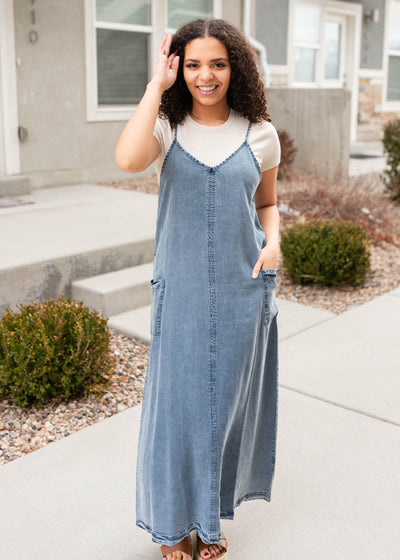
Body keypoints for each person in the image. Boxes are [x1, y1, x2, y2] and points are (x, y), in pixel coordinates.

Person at [115, 17, 281, 560]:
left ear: (236, 67)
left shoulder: (260, 133)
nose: (205, 75)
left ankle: (208, 520)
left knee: (226, 411)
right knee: (179, 409)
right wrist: (154, 88)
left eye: (217, 63)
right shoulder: (166, 127)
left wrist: (274, 242)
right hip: (180, 291)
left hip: (243, 287)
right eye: (192, 64)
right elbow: (127, 159)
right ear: (178, 68)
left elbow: (266, 204)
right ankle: (172, 525)